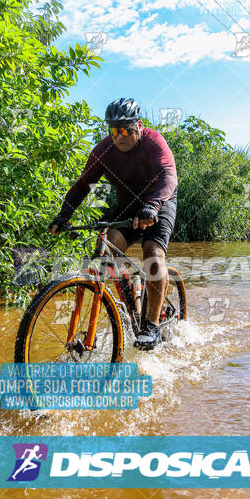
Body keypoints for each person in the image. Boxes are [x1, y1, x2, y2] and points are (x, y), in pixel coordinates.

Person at [48, 98, 178, 350]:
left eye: (126, 129)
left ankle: (150, 325)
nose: (120, 136)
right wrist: (64, 214)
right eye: (114, 130)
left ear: (139, 126)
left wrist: (152, 207)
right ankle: (134, 307)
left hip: (159, 203)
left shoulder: (154, 142)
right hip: (128, 206)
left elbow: (168, 176)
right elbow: (83, 185)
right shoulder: (103, 150)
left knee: (152, 253)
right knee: (110, 249)